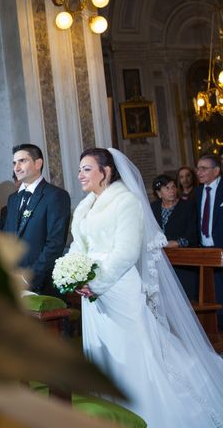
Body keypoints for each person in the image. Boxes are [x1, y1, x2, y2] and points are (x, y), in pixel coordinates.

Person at [70, 147, 223, 428]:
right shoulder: (84, 206)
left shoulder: (126, 201)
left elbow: (126, 251)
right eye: (79, 169)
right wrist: (72, 275)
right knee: (103, 354)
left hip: (117, 288)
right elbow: (78, 246)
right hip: (91, 294)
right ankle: (112, 414)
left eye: (87, 169)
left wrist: (96, 282)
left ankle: (146, 412)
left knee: (132, 352)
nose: (80, 174)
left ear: (106, 172)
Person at [1, 144, 70, 295]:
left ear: (38, 163)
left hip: (42, 283)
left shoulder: (55, 196)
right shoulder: (13, 199)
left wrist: (29, 278)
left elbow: (55, 243)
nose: (16, 168)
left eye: (22, 161)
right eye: (14, 163)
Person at [150, 174, 198, 299]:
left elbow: (193, 232)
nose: (172, 191)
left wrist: (177, 243)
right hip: (161, 262)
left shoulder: (187, 206)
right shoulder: (153, 207)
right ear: (159, 193)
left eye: (173, 187)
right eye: (167, 188)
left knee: (186, 297)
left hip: (184, 261)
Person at [195, 154, 223, 327]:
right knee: (213, 295)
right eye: (198, 168)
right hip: (205, 251)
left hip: (221, 248)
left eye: (204, 168)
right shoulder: (198, 192)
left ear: (216, 171)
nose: (199, 172)